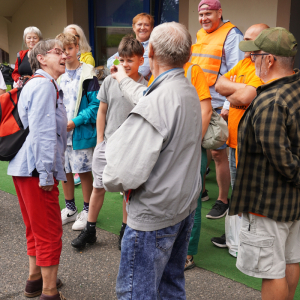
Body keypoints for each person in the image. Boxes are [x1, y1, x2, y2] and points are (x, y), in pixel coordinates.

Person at [103, 22, 202, 299]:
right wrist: (123, 79)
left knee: (136, 293)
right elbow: (149, 97)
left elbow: (121, 173)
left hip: (154, 216)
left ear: (151, 52)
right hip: (182, 207)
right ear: (189, 53)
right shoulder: (187, 89)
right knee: (171, 286)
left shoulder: (159, 101)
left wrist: (107, 173)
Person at [229, 27, 300, 300]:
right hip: (291, 200)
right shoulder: (293, 86)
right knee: (290, 258)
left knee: (272, 271)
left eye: (254, 56)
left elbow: (280, 157)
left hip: (268, 202)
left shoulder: (270, 101)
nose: (251, 61)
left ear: (269, 60)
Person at [71, 35, 148, 249]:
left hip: (130, 148)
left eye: (130, 61)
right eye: (122, 60)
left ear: (141, 60)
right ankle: (90, 230)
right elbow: (102, 110)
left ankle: (124, 231)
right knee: (98, 187)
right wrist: (100, 140)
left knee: (127, 191)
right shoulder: (109, 82)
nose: (125, 65)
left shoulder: (145, 87)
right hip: (107, 145)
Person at [7, 39, 68, 300]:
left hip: (23, 168)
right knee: (50, 231)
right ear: (42, 58)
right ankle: (49, 291)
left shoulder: (36, 83)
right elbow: (44, 133)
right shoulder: (44, 85)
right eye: (58, 52)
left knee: (34, 227)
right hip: (36, 171)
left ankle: (34, 279)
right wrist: (46, 175)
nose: (64, 55)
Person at [210, 24, 267, 253]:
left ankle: (247, 239)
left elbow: (241, 95)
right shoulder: (245, 63)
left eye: (251, 41)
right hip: (233, 141)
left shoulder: (264, 68)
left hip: (250, 143)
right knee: (237, 190)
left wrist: (236, 92)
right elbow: (220, 83)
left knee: (249, 192)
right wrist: (242, 89)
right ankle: (235, 235)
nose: (246, 46)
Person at [191, 0, 244, 219]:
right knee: (199, 149)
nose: (204, 19)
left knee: (218, 152)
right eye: (201, 15)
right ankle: (200, 191)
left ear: (219, 12)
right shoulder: (201, 34)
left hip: (219, 103)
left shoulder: (232, 35)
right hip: (199, 100)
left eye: (209, 14)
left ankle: (223, 199)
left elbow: (236, 72)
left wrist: (228, 104)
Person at [55, 32, 99, 231]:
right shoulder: (58, 73)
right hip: (62, 133)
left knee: (83, 171)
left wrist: (75, 121)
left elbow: (95, 106)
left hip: (79, 132)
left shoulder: (88, 73)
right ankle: (70, 208)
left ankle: (87, 210)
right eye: (62, 50)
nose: (66, 54)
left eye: (70, 49)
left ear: (77, 47)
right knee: (65, 171)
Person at [107, 13, 154, 80]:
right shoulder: (129, 43)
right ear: (133, 27)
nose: (143, 28)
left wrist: (118, 62)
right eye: (139, 24)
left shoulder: (153, 46)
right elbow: (109, 62)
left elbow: (142, 71)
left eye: (146, 25)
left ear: (151, 28)